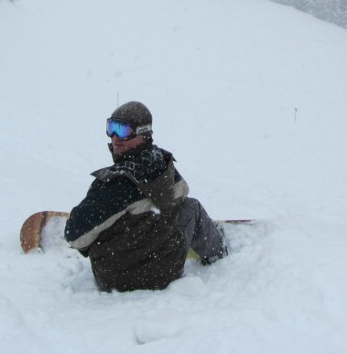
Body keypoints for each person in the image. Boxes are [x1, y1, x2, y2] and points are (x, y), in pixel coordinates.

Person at [64, 101, 228, 292]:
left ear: (143, 134)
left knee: (106, 223)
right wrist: (152, 213)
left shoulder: (112, 185)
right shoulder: (164, 165)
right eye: (111, 128)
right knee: (190, 207)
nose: (115, 137)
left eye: (123, 130)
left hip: (116, 280)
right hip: (166, 271)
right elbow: (182, 191)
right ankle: (215, 251)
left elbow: (75, 237)